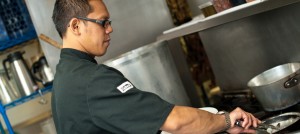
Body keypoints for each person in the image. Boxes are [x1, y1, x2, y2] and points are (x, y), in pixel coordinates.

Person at [51, 0, 261, 133]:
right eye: (103, 22)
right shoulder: (93, 81)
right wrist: (226, 119)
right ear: (76, 26)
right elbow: (175, 121)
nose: (110, 29)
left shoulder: (63, 79)